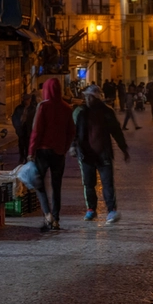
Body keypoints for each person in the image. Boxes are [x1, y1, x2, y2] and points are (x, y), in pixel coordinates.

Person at [76, 85, 131, 224]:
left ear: (96, 97)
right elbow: (77, 134)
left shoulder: (107, 112)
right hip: (87, 156)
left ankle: (111, 210)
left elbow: (116, 132)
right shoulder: (83, 113)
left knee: (107, 184)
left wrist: (124, 149)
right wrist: (74, 147)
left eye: (90, 97)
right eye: (86, 96)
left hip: (103, 154)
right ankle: (91, 209)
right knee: (88, 184)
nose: (87, 99)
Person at [28, 77, 76, 232]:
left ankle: (47, 213)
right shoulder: (67, 108)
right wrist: (65, 147)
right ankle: (56, 218)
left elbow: (37, 131)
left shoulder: (43, 106)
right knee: (57, 186)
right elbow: (71, 132)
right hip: (58, 153)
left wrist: (31, 151)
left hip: (43, 151)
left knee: (39, 183)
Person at [11, 93, 37, 164]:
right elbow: (14, 117)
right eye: (25, 100)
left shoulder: (33, 109)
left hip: (29, 129)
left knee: (28, 144)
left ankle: (27, 157)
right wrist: (17, 127)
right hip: (21, 128)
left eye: (27, 100)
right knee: (21, 144)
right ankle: (22, 157)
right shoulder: (19, 108)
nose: (26, 101)